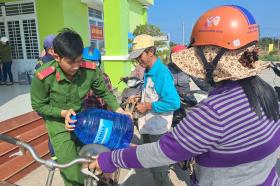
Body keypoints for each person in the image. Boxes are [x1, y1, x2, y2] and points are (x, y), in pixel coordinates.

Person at [88, 5, 280, 186]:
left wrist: (110, 159)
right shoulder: (266, 92)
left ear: (214, 59)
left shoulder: (214, 111)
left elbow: (161, 151)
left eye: (201, 56)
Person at [30, 28, 129, 186]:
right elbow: (38, 105)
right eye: (71, 62)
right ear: (56, 56)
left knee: (92, 166)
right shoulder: (43, 77)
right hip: (59, 127)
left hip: (84, 122)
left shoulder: (89, 70)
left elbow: (104, 92)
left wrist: (118, 109)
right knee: (73, 175)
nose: (77, 66)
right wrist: (62, 113)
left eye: (79, 60)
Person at [130, 34, 181, 186]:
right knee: (153, 167)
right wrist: (140, 97)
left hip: (158, 131)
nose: (138, 59)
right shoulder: (148, 71)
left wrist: (148, 106)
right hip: (148, 127)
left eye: (140, 55)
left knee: (160, 173)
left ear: (151, 52)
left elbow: (173, 102)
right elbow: (153, 94)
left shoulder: (162, 73)